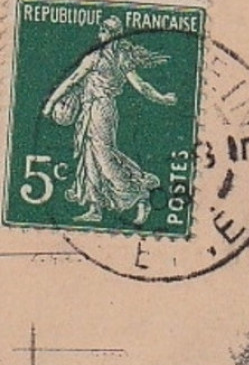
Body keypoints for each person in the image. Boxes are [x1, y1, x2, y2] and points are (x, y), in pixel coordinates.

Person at [41, 15, 178, 225]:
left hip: (100, 109)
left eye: (104, 30)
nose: (101, 34)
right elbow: (76, 81)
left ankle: (139, 196)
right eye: (101, 30)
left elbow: (72, 80)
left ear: (112, 35)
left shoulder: (102, 58)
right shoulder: (115, 57)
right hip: (93, 109)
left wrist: (51, 104)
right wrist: (162, 98)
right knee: (90, 157)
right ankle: (95, 207)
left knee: (104, 158)